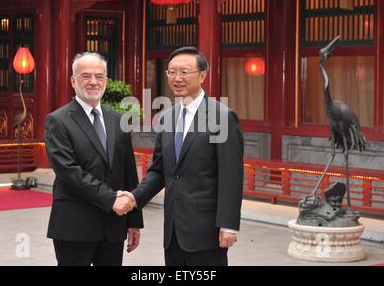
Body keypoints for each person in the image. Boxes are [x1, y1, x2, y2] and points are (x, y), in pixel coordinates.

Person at [116, 46, 244, 266]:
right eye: (171, 72)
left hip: (207, 231)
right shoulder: (166, 117)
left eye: (184, 72)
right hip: (173, 230)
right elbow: (159, 169)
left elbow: (231, 176)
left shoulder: (222, 116)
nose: (177, 78)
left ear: (202, 75)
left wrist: (228, 225)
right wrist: (134, 197)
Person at [44, 52, 143, 266]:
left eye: (99, 76)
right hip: (74, 225)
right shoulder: (58, 121)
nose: (93, 82)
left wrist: (134, 221)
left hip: (113, 226)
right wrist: (111, 199)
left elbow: (128, 172)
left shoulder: (118, 120)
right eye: (85, 76)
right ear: (73, 81)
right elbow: (68, 171)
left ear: (106, 81)